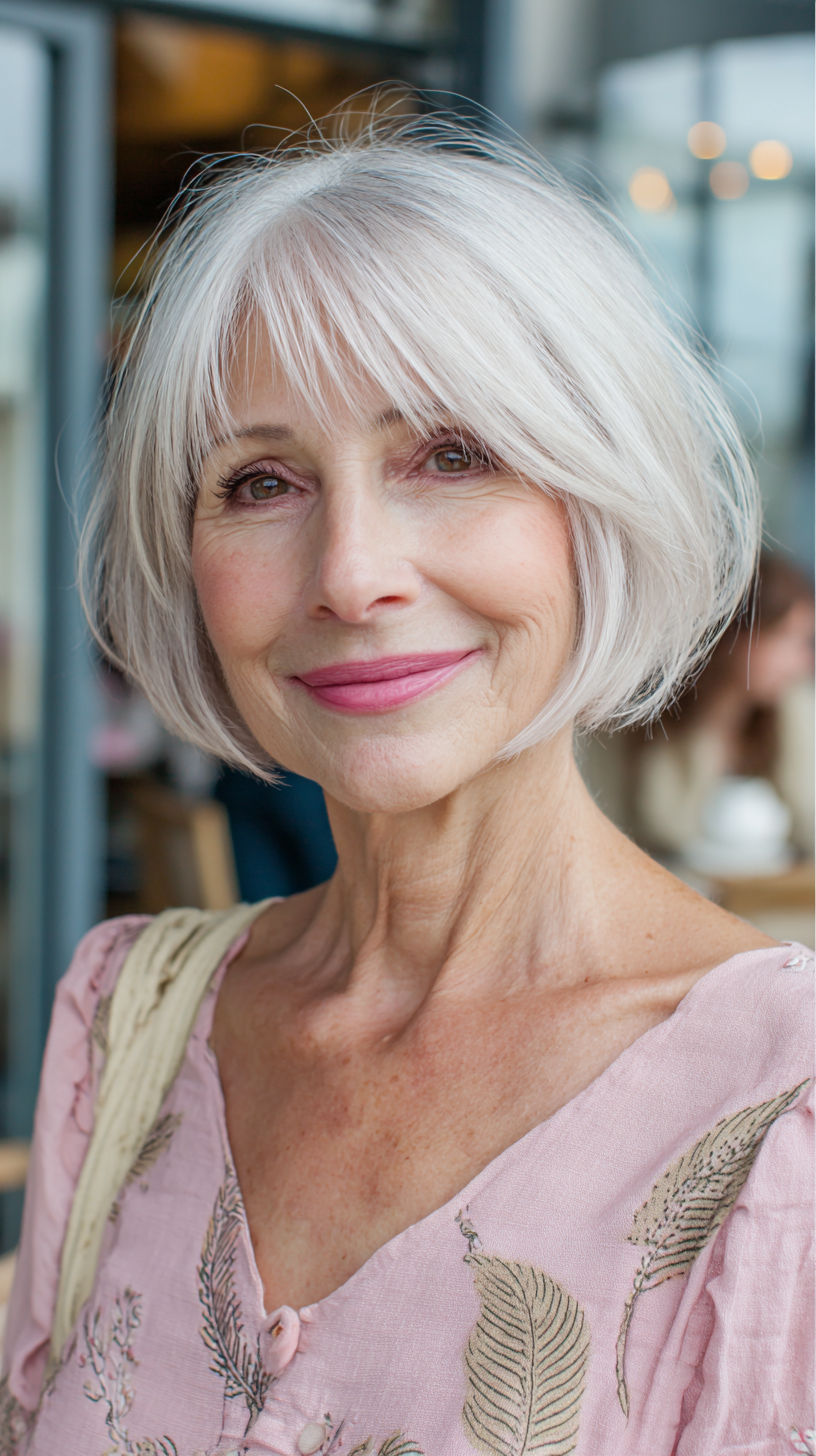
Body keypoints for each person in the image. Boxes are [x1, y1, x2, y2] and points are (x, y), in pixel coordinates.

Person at [2, 117, 812, 1456]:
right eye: (262, 481)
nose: (350, 573)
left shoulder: (785, 1106)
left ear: (601, 503)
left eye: (452, 455)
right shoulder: (125, 1020)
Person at [634, 553, 814, 868]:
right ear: (734, 634)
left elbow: (810, 826)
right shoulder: (656, 720)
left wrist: (796, 712)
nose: (802, 664)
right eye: (785, 638)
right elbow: (665, 829)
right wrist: (715, 714)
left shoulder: (790, 709)